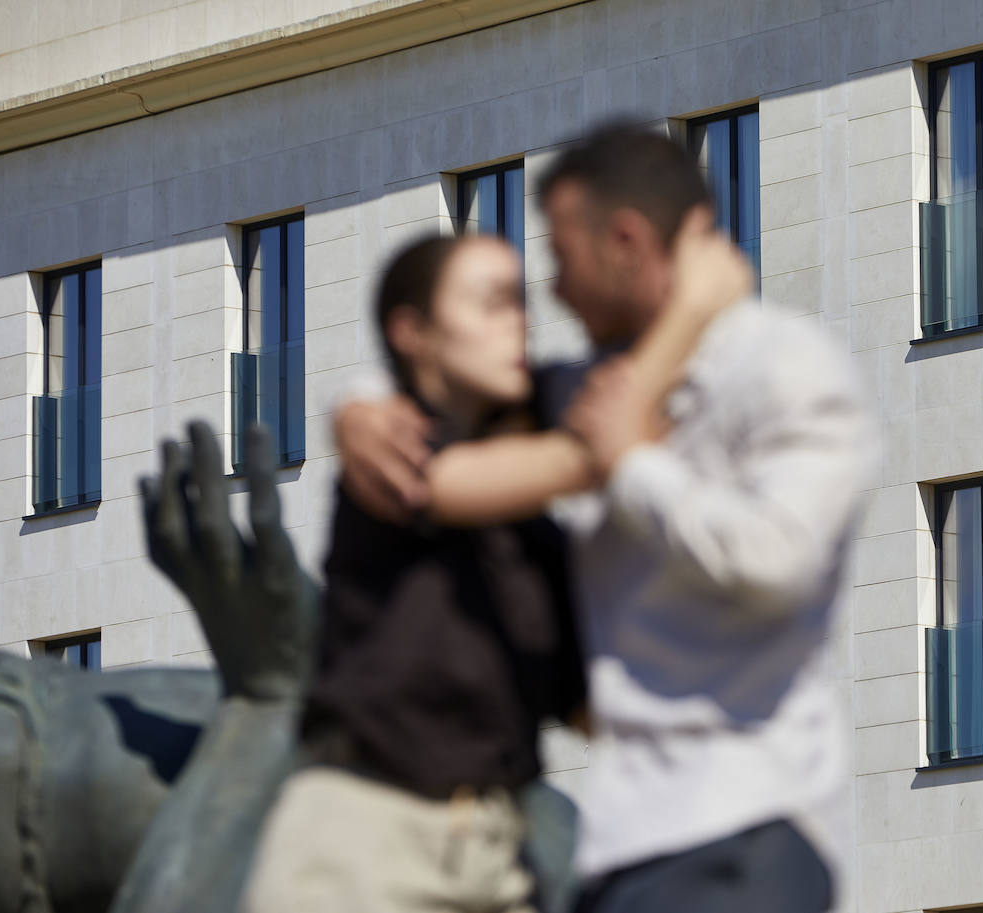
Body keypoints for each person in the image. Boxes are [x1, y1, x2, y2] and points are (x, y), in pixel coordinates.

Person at [336, 124, 876, 913]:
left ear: (624, 240)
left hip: (747, 829)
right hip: (624, 844)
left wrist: (632, 466)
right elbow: (438, 403)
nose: (552, 291)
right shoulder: (582, 387)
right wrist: (350, 411)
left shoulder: (791, 369)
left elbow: (776, 559)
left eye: (561, 258)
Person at [240, 227, 741, 913]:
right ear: (412, 331)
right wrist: (692, 310)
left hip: (496, 853)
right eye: (491, 302)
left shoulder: (539, 545)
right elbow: (581, 452)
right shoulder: (396, 450)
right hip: (364, 838)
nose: (518, 322)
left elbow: (598, 703)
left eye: (521, 303)